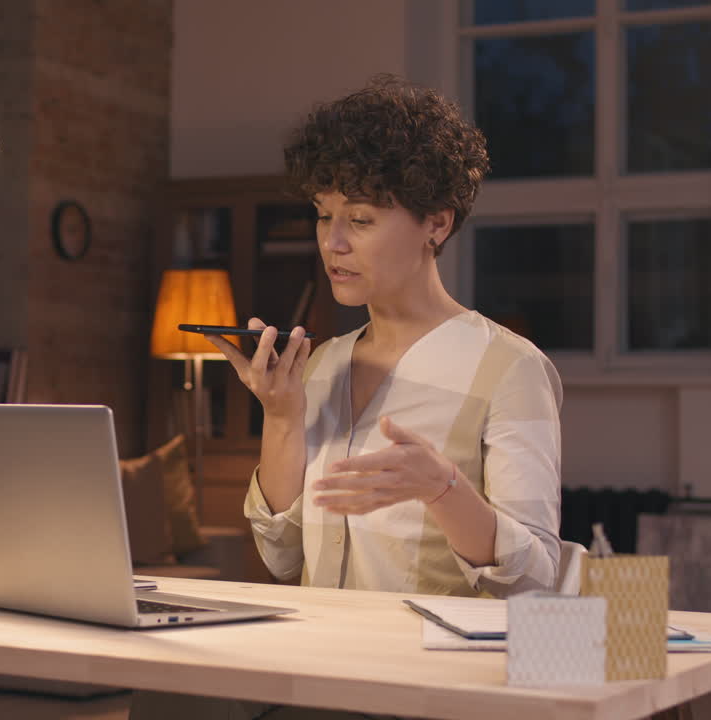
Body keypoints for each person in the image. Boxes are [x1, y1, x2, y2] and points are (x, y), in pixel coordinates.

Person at [130, 74, 563, 719]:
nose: (332, 243)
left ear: (436, 224)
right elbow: (281, 559)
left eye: (359, 220)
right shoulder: (322, 363)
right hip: (314, 662)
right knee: (167, 696)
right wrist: (280, 416)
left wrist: (444, 488)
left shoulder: (509, 367)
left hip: (425, 680)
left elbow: (535, 580)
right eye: (323, 215)